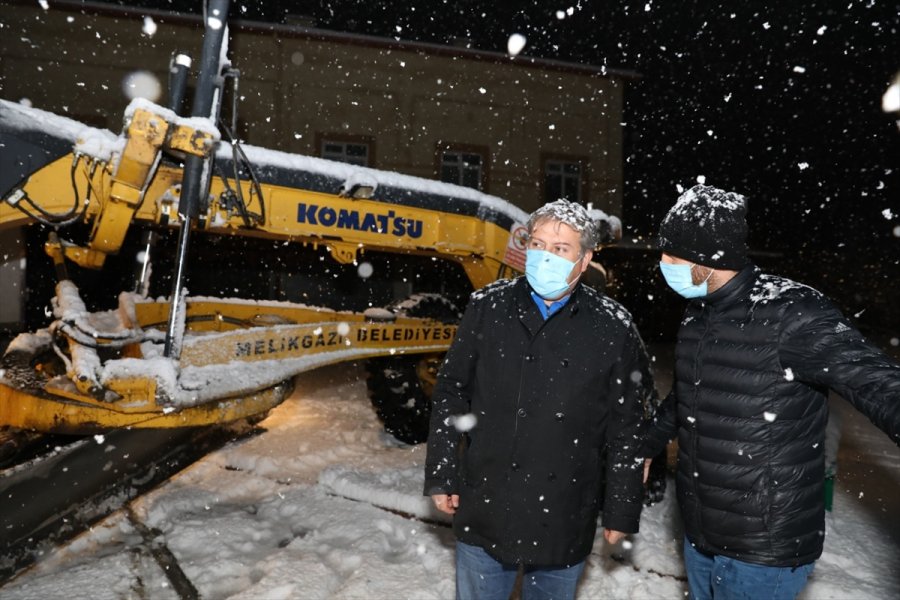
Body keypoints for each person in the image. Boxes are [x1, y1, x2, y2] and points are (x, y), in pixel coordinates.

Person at [642, 184, 900, 600]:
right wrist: (646, 445)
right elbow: (687, 394)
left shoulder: (792, 312)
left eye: (672, 254)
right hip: (702, 533)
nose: (663, 264)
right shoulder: (698, 312)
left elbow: (877, 383)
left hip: (761, 551)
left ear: (708, 257)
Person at [424, 199, 656, 600]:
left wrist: (621, 507)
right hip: (487, 501)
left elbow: (627, 426)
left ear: (584, 259)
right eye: (538, 244)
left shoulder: (611, 326)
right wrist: (443, 472)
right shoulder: (488, 307)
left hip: (564, 511)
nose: (545, 256)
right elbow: (451, 390)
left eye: (560, 248)